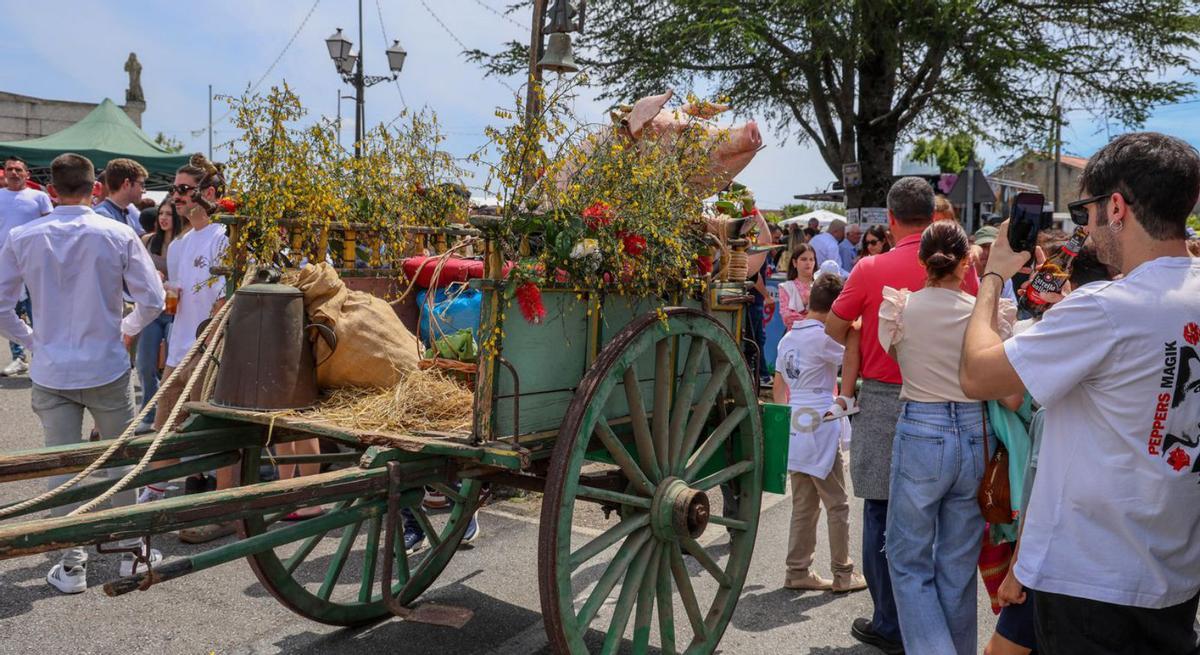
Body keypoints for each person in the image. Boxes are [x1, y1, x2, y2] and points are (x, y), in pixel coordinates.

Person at [960, 132, 1200, 654]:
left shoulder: (1107, 307)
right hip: (1175, 574)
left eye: (1084, 210)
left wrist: (995, 276)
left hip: (1091, 580)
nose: (1085, 229)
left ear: (1116, 206)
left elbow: (978, 373)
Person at [825, 177, 980, 654]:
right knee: (950, 544)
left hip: (883, 400)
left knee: (879, 511)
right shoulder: (960, 270)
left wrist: (864, 335)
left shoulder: (870, 268)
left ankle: (890, 621)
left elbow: (834, 326)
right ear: (936, 217)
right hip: (959, 403)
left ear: (889, 220)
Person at [0, 153, 165, 593]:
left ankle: (72, 563)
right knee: (119, 462)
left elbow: (1, 305)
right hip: (106, 364)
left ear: (50, 192)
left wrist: (33, 341)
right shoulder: (117, 233)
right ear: (95, 188)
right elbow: (152, 300)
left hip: (53, 369)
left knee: (62, 463)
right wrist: (125, 331)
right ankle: (131, 551)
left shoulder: (22, 235)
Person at [878, 221, 1014, 654]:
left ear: (924, 261)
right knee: (956, 567)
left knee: (907, 559)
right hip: (977, 434)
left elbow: (891, 351)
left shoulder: (900, 308)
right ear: (967, 261)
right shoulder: (984, 314)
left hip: (922, 429)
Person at [154, 154, 232, 544]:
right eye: (175, 190)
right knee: (164, 430)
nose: (176, 197)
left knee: (211, 435)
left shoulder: (224, 236)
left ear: (210, 194)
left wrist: (204, 348)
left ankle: (223, 510)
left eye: (184, 190)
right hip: (179, 347)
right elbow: (179, 295)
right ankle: (155, 508)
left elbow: (223, 303)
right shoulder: (180, 244)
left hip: (207, 349)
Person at [774, 274, 867, 594]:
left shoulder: (787, 338)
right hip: (820, 421)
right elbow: (855, 358)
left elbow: (779, 384)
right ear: (834, 307)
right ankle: (843, 572)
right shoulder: (824, 337)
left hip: (795, 422)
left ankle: (797, 569)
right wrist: (854, 328)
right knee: (837, 502)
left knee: (804, 503)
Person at [133, 201, 186, 432]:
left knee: (171, 366)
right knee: (144, 364)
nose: (164, 218)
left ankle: (169, 415)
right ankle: (149, 411)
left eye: (169, 214)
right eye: (161, 213)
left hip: (177, 311)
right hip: (152, 310)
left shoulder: (184, 243)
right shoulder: (147, 241)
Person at [0, 155, 52, 377]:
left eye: (18, 170)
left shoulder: (39, 197)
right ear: (4, 173)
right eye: (10, 169)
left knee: (38, 310)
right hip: (5, 263)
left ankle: (43, 357)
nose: (14, 173)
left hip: (34, 263)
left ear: (26, 174)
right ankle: (19, 357)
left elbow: (51, 226)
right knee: (10, 311)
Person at [93, 158, 148, 236]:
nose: (144, 190)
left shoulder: (126, 212)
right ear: (127, 184)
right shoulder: (102, 216)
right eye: (141, 185)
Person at [971, 226, 1018, 302]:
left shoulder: (1004, 277)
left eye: (991, 247)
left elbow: (1011, 307)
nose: (986, 252)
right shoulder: (964, 272)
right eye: (983, 246)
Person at [778, 244, 815, 328]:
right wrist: (812, 320)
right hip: (795, 335)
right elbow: (787, 317)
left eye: (811, 259)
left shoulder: (820, 286)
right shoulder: (786, 287)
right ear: (795, 262)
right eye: (803, 259)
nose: (808, 263)